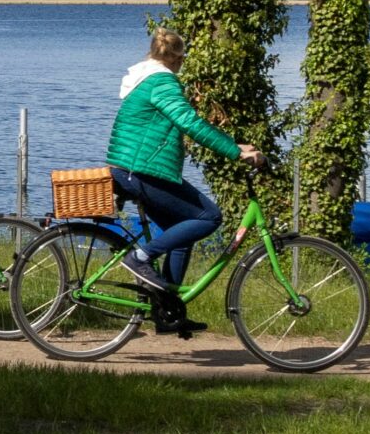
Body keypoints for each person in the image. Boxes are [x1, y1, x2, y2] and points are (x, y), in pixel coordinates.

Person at [108, 27, 262, 298]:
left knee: (182, 231)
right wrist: (235, 153)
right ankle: (140, 258)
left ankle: (168, 307)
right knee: (209, 217)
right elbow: (189, 122)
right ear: (178, 59)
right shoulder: (161, 82)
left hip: (129, 169)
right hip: (142, 170)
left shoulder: (143, 78)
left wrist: (235, 145)